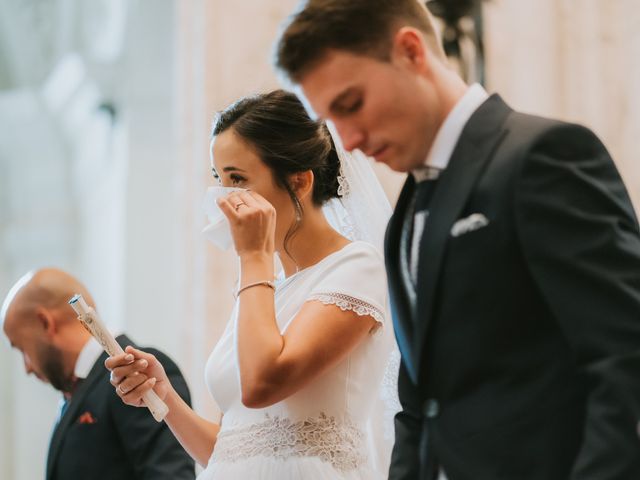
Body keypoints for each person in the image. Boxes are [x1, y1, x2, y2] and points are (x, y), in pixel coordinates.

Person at [275, 1, 640, 479]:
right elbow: (418, 401)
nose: (349, 140)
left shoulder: (542, 158)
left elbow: (623, 357)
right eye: (331, 120)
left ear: (411, 51)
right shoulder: (407, 210)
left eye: (351, 104)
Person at [105, 89, 398, 479]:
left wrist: (253, 258)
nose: (223, 200)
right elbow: (235, 450)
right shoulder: (266, 286)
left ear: (299, 183)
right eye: (218, 179)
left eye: (238, 179)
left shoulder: (356, 266)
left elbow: (262, 383)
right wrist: (163, 395)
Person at [1, 268, 195, 480]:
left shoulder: (138, 374)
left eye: (22, 349)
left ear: (46, 322)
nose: (26, 368)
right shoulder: (75, 388)